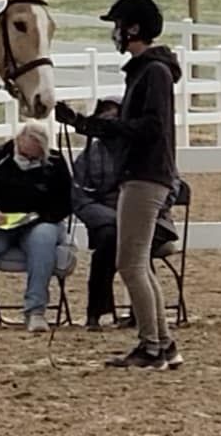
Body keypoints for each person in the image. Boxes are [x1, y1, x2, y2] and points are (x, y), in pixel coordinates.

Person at [55, 0, 183, 370]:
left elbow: (148, 127)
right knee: (137, 264)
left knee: (130, 264)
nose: (114, 32)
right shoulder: (147, 71)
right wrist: (81, 123)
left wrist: (93, 125)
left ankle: (151, 347)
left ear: (133, 28)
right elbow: (133, 127)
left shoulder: (153, 72)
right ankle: (162, 344)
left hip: (145, 176)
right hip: (142, 175)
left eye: (117, 25)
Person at [71, 95, 180, 331]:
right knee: (112, 240)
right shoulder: (88, 157)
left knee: (126, 245)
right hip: (107, 220)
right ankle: (138, 315)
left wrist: (138, 214)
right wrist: (116, 219)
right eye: (104, 115)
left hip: (150, 218)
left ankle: (101, 312)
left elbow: (169, 188)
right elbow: (80, 199)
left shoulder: (150, 154)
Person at [0, 120, 72, 333]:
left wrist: (42, 216)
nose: (30, 159)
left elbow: (67, 201)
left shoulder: (55, 162)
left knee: (43, 239)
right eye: (26, 154)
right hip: (2, 223)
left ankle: (36, 310)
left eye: (35, 156)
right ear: (17, 142)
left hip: (40, 221)